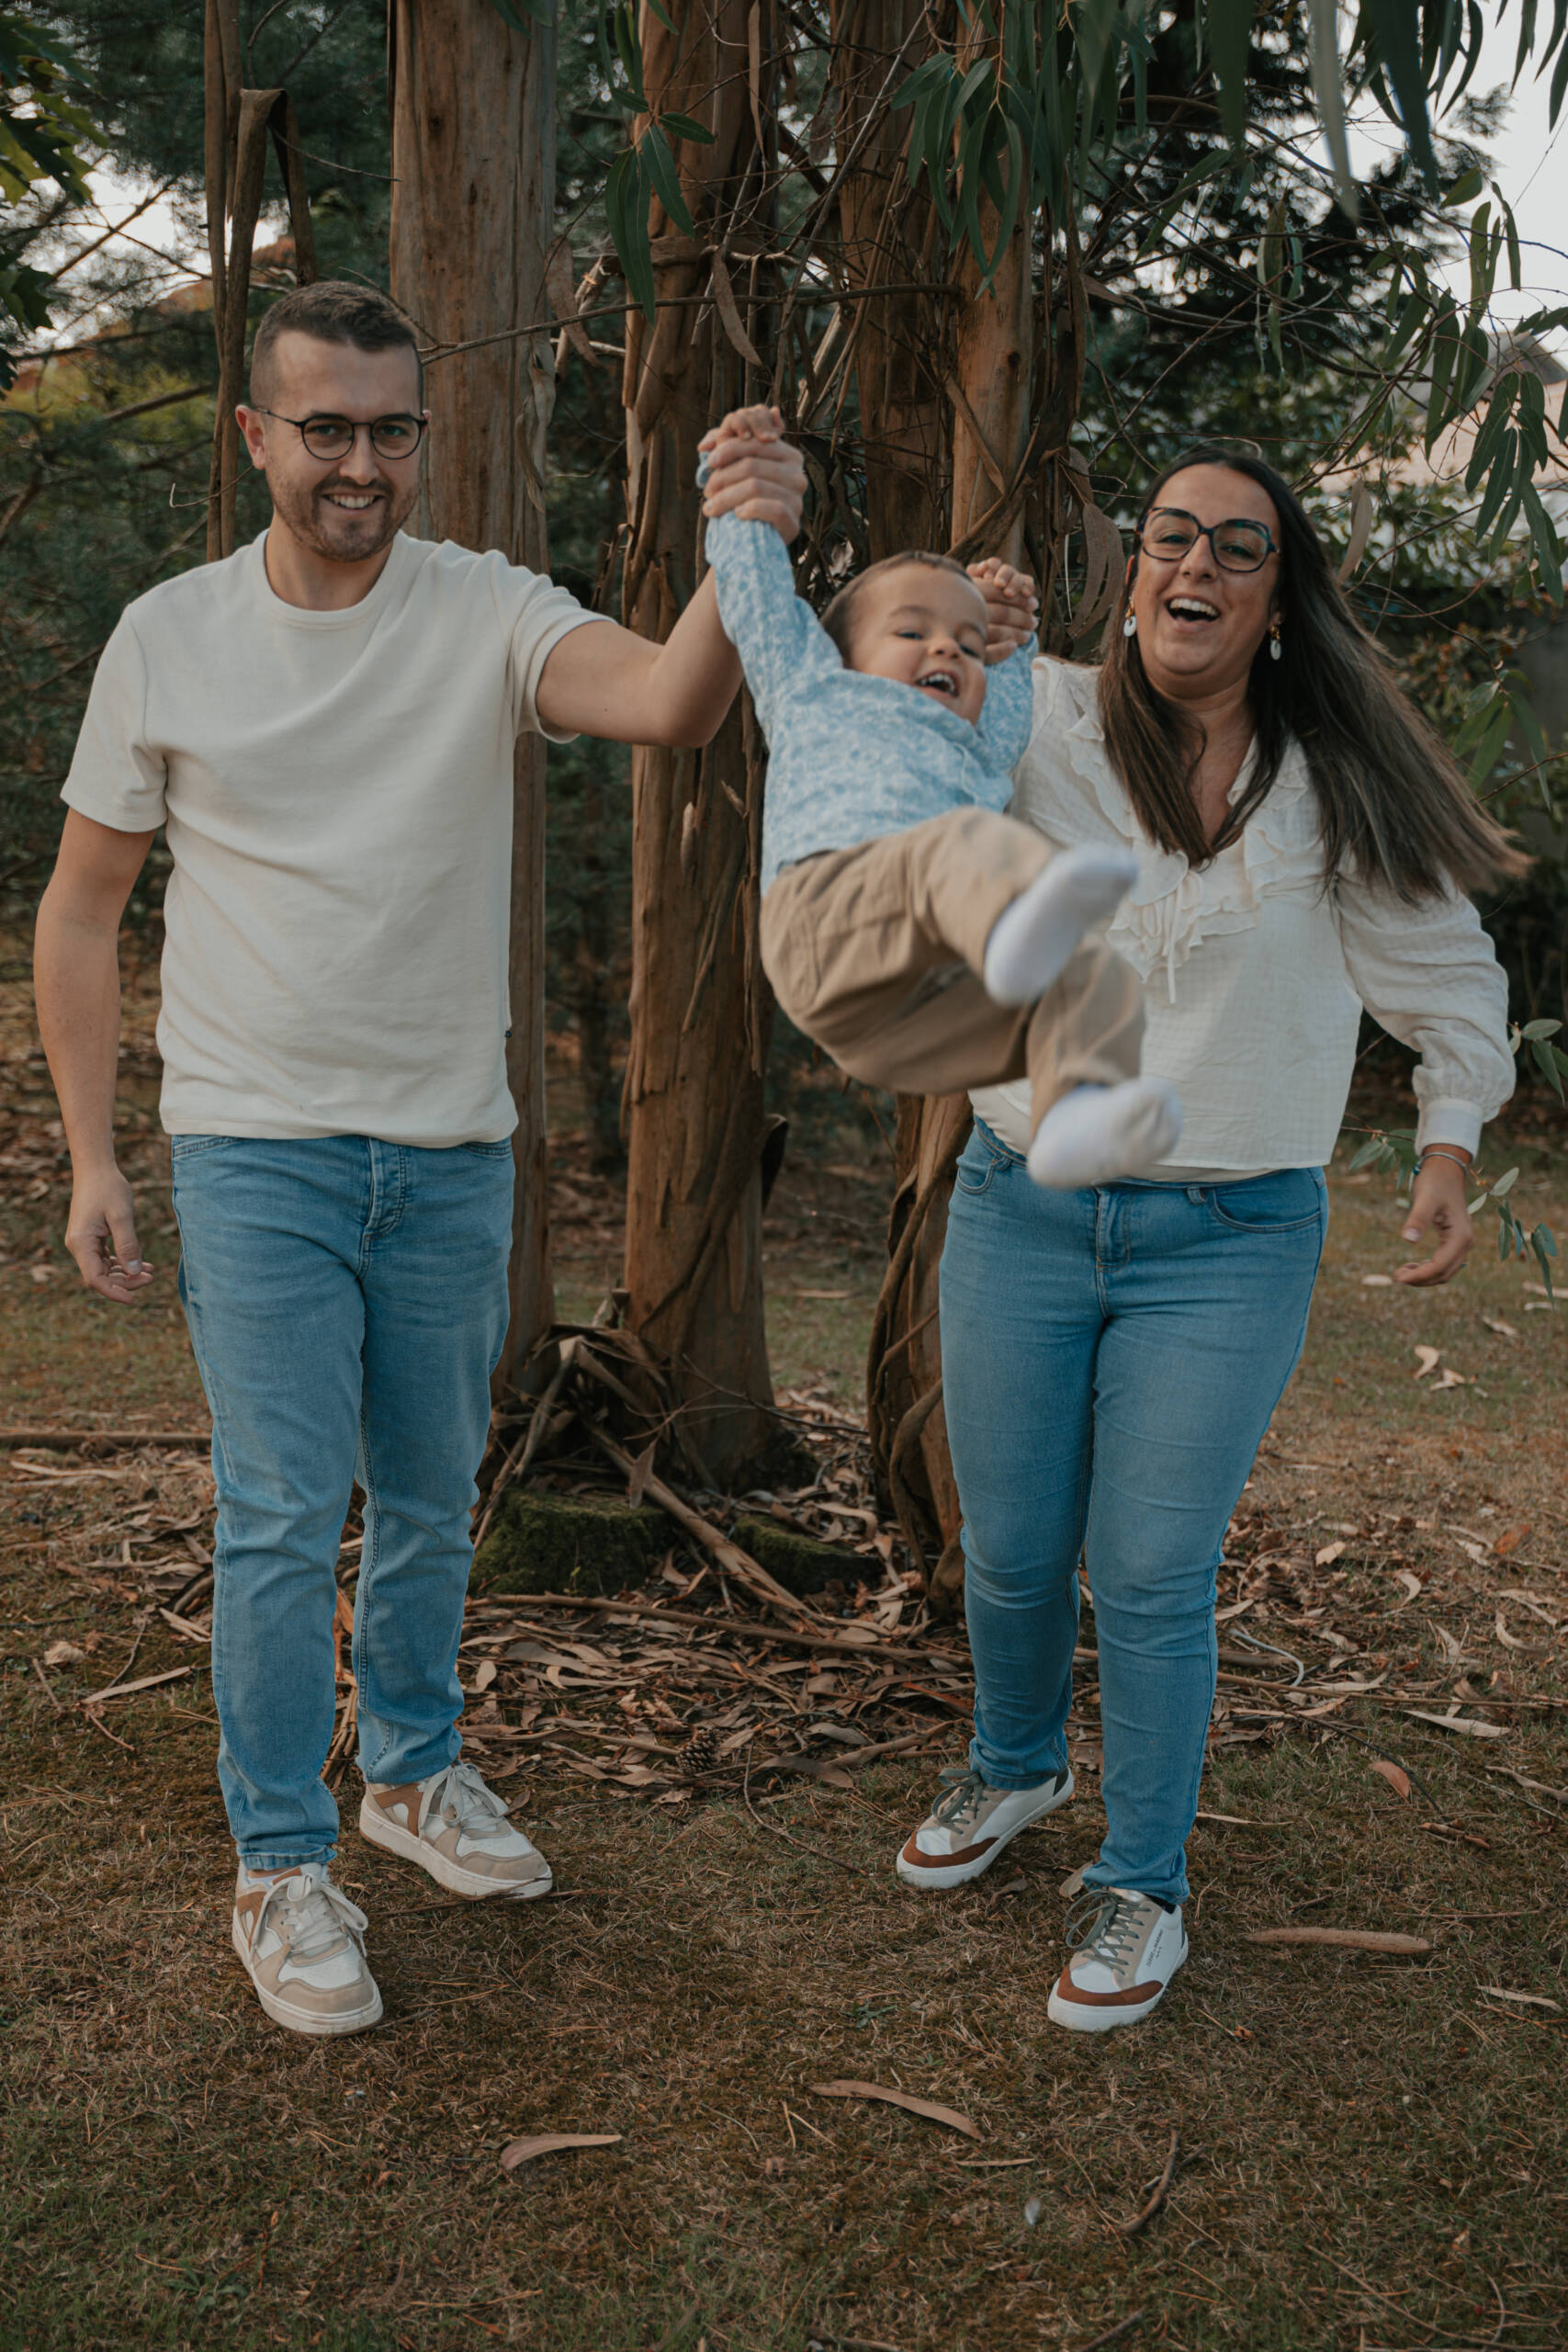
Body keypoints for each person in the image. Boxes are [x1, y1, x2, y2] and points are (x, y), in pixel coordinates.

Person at [33, 281, 807, 2038]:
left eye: (392, 431)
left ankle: (411, 1771)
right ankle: (279, 1862)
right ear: (256, 435)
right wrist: (94, 1156)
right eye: (326, 429)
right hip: (255, 1147)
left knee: (432, 1496)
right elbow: (80, 914)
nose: (362, 465)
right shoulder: (169, 636)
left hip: (451, 1152)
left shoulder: (482, 610)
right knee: (281, 1510)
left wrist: (739, 538)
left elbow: (673, 702)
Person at [895, 445, 1524, 2033]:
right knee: (1011, 1552)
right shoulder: (1034, 719)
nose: (1196, 565)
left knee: (1150, 1569)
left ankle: (1143, 1882)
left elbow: (1447, 974)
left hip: (1228, 1235)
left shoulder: (1331, 785)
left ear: (1275, 601)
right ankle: (1014, 1764)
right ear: (1131, 579)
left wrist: (1446, 1142)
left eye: (1237, 547)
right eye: (1170, 536)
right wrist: (958, 641)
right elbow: (890, 768)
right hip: (1022, 1206)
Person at [699, 406, 1182, 1187]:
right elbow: (753, 594)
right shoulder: (813, 687)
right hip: (832, 919)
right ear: (836, 653)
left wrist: (1010, 636)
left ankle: (1072, 1118)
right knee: (966, 846)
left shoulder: (978, 749)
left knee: (1098, 977)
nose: (945, 649)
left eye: (965, 643)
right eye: (911, 631)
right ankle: (1010, 930)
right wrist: (738, 485)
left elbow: (1007, 699)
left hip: (905, 1013)